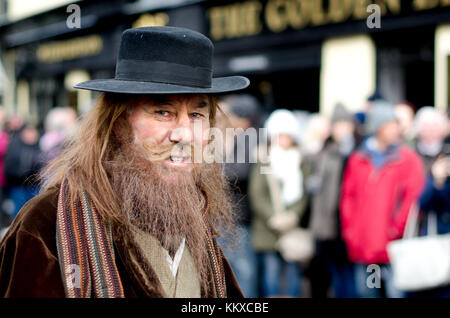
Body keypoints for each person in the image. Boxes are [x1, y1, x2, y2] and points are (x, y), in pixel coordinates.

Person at [0, 26, 250, 298]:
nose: (185, 134)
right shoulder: (44, 225)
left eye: (197, 115)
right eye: (163, 112)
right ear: (119, 123)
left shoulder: (196, 216)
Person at [340, 101, 425, 298]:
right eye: (391, 124)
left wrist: (397, 228)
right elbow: (348, 199)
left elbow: (412, 199)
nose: (396, 129)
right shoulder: (358, 159)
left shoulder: (407, 159)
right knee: (367, 292)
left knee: (396, 293)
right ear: (378, 127)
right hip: (364, 246)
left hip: (394, 247)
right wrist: (351, 231)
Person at [249, 109, 308, 297]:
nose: (283, 139)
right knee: (271, 275)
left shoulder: (301, 161)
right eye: (280, 135)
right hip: (268, 229)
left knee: (293, 274)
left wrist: (293, 216)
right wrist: (273, 217)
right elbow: (258, 193)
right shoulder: (265, 161)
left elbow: (304, 193)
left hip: (292, 228)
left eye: (287, 136)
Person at [308, 104, 358, 298]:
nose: (342, 130)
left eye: (346, 125)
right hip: (325, 226)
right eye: (338, 125)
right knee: (329, 279)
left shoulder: (355, 152)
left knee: (349, 280)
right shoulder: (325, 152)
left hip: (346, 226)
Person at [217, 94, 261, 298]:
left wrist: (214, 174)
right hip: (231, 214)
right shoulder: (243, 137)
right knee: (233, 266)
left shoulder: (251, 137)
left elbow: (240, 172)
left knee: (243, 268)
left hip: (241, 215)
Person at [412, 106, 448, 174]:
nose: (430, 130)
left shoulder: (447, 150)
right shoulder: (411, 152)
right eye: (426, 126)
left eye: (434, 126)